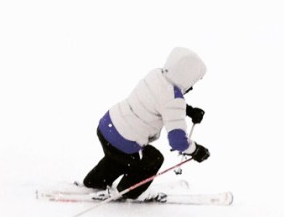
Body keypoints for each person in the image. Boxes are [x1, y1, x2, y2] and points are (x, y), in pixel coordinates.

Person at [82, 47, 210, 199]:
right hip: (123, 141)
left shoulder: (155, 74)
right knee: (153, 159)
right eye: (193, 81)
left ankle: (95, 181)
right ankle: (131, 191)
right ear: (186, 76)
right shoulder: (174, 100)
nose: (192, 86)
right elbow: (177, 142)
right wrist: (196, 151)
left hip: (108, 126)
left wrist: (188, 111)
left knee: (118, 159)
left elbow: (159, 100)